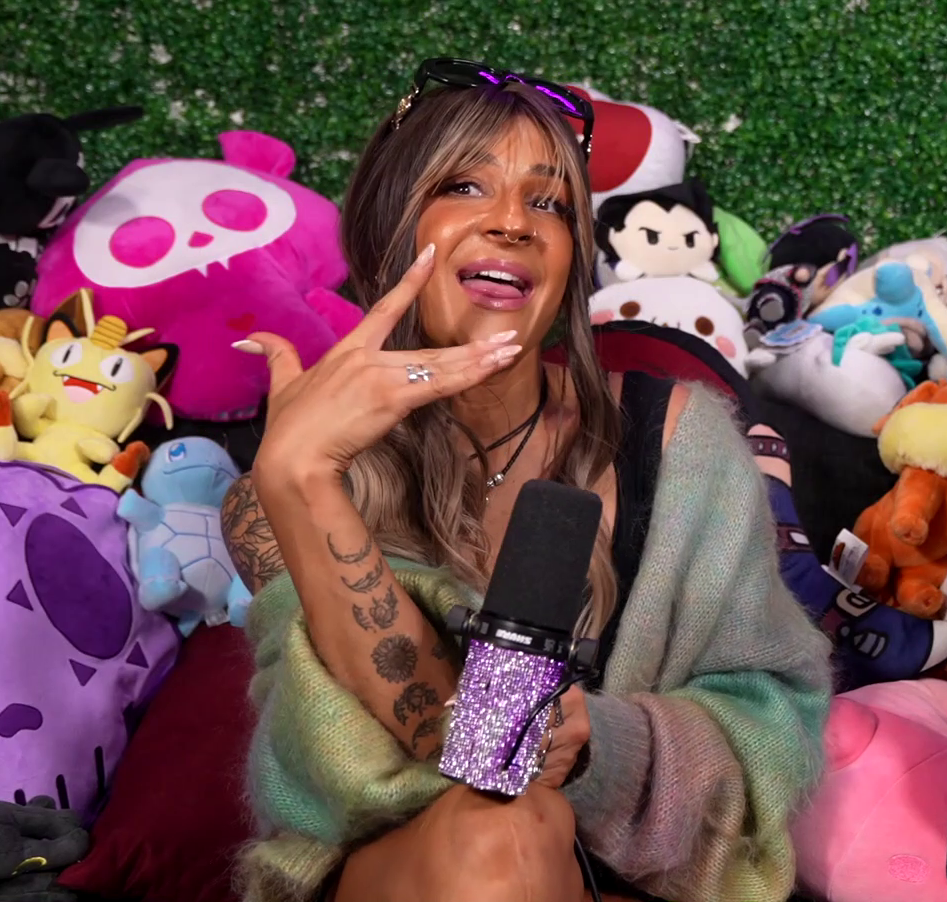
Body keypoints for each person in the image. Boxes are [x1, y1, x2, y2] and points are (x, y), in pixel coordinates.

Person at [220, 59, 831, 902]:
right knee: (498, 836)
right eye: (465, 186)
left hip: (619, 881)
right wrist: (302, 480)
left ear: (574, 263)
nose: (513, 222)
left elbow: (778, 722)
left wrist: (602, 748)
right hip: (396, 877)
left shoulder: (682, 445)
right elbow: (351, 765)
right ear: (387, 226)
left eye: (550, 203)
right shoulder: (287, 484)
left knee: (510, 832)